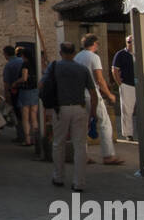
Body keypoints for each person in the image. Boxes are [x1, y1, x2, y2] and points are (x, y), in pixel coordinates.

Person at [44, 42, 99, 192]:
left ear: (61, 52)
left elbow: (42, 85)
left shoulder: (54, 67)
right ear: (74, 53)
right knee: (80, 146)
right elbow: (93, 93)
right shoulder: (82, 69)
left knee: (58, 143)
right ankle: (79, 182)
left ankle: (58, 176)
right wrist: (93, 111)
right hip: (79, 108)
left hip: (60, 108)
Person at [77, 34, 124, 165]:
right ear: (94, 44)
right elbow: (99, 78)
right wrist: (109, 94)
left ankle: (83, 155)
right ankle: (108, 155)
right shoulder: (94, 57)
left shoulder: (77, 57)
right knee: (104, 124)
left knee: (82, 127)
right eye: (97, 44)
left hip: (79, 95)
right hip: (91, 94)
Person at [112, 36, 137, 140]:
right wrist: (120, 84)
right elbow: (114, 69)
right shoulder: (121, 54)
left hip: (140, 85)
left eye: (132, 42)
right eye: (129, 42)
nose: (131, 43)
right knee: (127, 110)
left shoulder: (139, 54)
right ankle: (128, 134)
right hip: (127, 85)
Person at [16, 49, 40, 147]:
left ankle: (28, 139)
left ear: (24, 56)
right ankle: (36, 138)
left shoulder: (25, 65)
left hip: (26, 91)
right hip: (35, 91)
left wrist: (15, 82)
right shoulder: (35, 64)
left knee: (25, 117)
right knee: (34, 117)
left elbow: (24, 78)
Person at [3, 45, 26, 143]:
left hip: (15, 91)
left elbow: (6, 83)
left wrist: (7, 96)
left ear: (6, 54)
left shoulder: (9, 65)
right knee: (26, 114)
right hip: (26, 90)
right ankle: (29, 136)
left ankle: (21, 136)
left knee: (18, 114)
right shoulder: (22, 61)